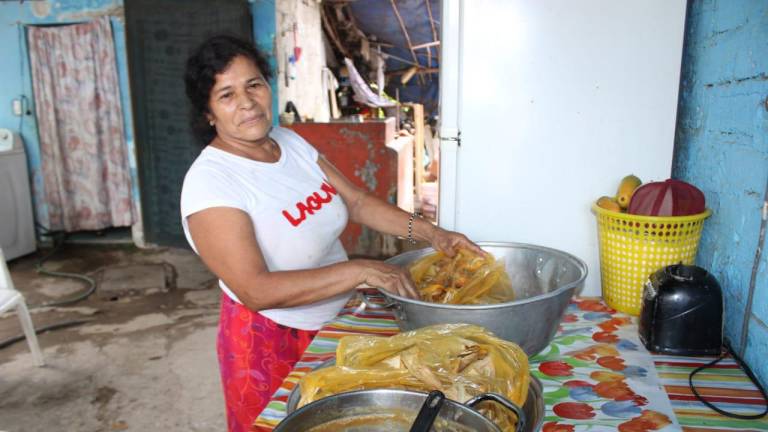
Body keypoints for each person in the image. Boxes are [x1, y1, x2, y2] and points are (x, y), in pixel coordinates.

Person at [181, 35, 482, 432]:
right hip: (270, 340)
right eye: (226, 94)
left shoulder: (289, 142)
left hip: (338, 321)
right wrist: (361, 270)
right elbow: (256, 290)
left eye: (253, 84)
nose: (247, 102)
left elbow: (356, 201)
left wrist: (432, 234)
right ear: (208, 113)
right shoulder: (211, 183)